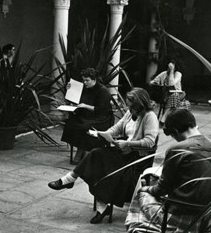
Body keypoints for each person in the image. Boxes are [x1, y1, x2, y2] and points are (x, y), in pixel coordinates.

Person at [104, 109, 211, 233]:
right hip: (205, 220)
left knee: (142, 193)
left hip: (178, 220)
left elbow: (162, 189)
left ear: (174, 132)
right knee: (148, 192)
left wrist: (149, 188)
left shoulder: (178, 149)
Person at [48, 88, 159, 224]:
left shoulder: (149, 117)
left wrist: (127, 143)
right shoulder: (130, 114)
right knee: (96, 155)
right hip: (123, 152)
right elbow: (117, 128)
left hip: (136, 158)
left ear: (139, 105)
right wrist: (103, 134)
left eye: (131, 106)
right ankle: (77, 186)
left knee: (102, 165)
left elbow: (150, 142)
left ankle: (72, 183)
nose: (128, 108)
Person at [60, 68, 113, 164]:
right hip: (87, 115)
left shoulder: (103, 91)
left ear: (94, 79)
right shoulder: (85, 88)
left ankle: (84, 152)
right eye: (83, 80)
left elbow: (101, 110)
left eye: (87, 80)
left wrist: (85, 106)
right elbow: (75, 99)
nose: (85, 82)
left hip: (102, 118)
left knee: (85, 127)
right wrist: (69, 90)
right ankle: (81, 149)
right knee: (70, 123)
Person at [149, 58, 189, 125]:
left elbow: (172, 83)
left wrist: (171, 72)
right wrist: (156, 82)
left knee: (175, 96)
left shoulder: (178, 74)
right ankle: (166, 120)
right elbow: (152, 82)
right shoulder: (164, 74)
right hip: (167, 95)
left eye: (172, 66)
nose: (170, 67)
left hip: (179, 94)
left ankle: (163, 119)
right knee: (174, 98)